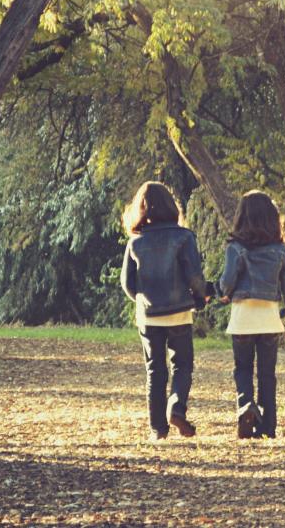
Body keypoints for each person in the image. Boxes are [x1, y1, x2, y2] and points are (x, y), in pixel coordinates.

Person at [119, 181, 209, 440]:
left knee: (155, 370)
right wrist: (201, 296)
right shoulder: (184, 237)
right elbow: (194, 276)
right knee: (182, 365)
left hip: (148, 315)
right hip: (179, 311)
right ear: (171, 205)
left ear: (141, 208)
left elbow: (128, 284)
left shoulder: (135, 242)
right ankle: (176, 407)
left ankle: (158, 430)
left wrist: (143, 300)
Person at [217, 190, 285, 439]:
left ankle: (246, 406)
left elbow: (227, 282)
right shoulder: (281, 251)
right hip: (269, 320)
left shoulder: (235, 248)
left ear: (242, 218)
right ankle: (268, 426)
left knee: (242, 369)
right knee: (267, 374)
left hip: (242, 319)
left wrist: (223, 292)